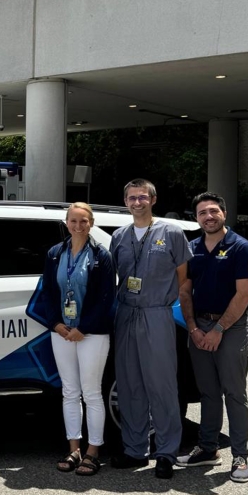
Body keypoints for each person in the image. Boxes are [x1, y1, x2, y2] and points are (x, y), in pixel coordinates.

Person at [108, 178, 191, 479]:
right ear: (126, 201)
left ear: (153, 200)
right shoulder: (119, 235)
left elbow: (184, 277)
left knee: (162, 386)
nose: (137, 202)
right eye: (132, 198)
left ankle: (166, 452)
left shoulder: (171, 232)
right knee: (130, 385)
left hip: (157, 315)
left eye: (142, 197)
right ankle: (134, 449)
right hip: (126, 314)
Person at [26, 203, 116, 476]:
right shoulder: (55, 253)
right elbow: (49, 292)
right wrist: (56, 324)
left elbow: (106, 298)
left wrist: (84, 327)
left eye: (84, 221)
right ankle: (74, 448)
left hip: (92, 333)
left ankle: (93, 452)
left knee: (91, 392)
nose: (78, 226)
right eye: (74, 221)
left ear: (91, 224)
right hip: (62, 332)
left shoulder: (102, 255)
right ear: (67, 223)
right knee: (69, 391)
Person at [178, 192, 248, 483]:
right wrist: (193, 328)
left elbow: (244, 294)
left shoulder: (241, 247)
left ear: (224, 213)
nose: (208, 216)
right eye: (202, 213)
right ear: (196, 218)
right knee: (208, 393)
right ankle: (208, 449)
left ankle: (240, 456)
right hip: (199, 326)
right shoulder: (192, 247)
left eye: (213, 211)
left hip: (230, 328)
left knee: (235, 394)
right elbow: (184, 290)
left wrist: (218, 330)